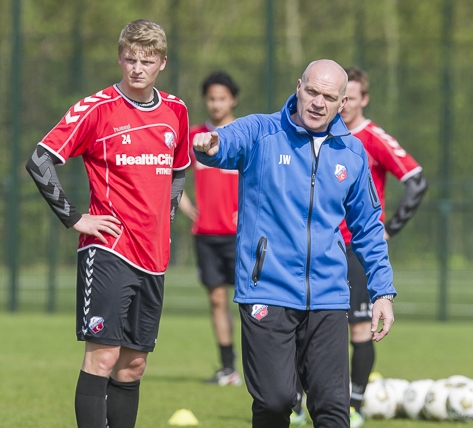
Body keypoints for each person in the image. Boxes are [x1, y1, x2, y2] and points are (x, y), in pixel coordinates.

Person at [193, 59, 397, 428]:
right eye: (312, 92)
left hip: (329, 296)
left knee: (334, 410)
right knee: (276, 401)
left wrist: (383, 290)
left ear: (343, 104)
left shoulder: (351, 154)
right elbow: (226, 143)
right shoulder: (262, 131)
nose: (318, 102)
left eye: (330, 97)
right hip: (267, 290)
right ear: (298, 86)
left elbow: (367, 225)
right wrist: (210, 145)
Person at [25, 19, 190, 428]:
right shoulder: (97, 109)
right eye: (130, 59)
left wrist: (166, 218)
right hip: (110, 251)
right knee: (103, 356)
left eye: (146, 61)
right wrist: (75, 218)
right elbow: (39, 160)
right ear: (120, 58)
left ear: (162, 64)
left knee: (133, 366)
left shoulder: (177, 111)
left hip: (154, 257)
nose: (137, 68)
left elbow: (180, 171)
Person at [290, 67, 428, 428]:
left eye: (350, 97)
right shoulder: (310, 133)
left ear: (362, 99)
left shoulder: (372, 137)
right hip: (315, 246)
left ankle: (355, 402)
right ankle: (300, 400)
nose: (344, 103)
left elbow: (416, 180)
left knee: (359, 328)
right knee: (304, 324)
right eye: (341, 96)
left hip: (355, 250)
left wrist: (389, 229)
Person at [178, 71, 242, 386]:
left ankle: (262, 368)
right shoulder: (195, 136)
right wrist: (184, 203)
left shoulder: (244, 134)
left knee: (251, 302)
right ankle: (228, 369)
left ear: (233, 100)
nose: (216, 104)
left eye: (222, 98)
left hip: (242, 235)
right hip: (206, 234)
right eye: (211, 99)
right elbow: (172, 172)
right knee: (217, 299)